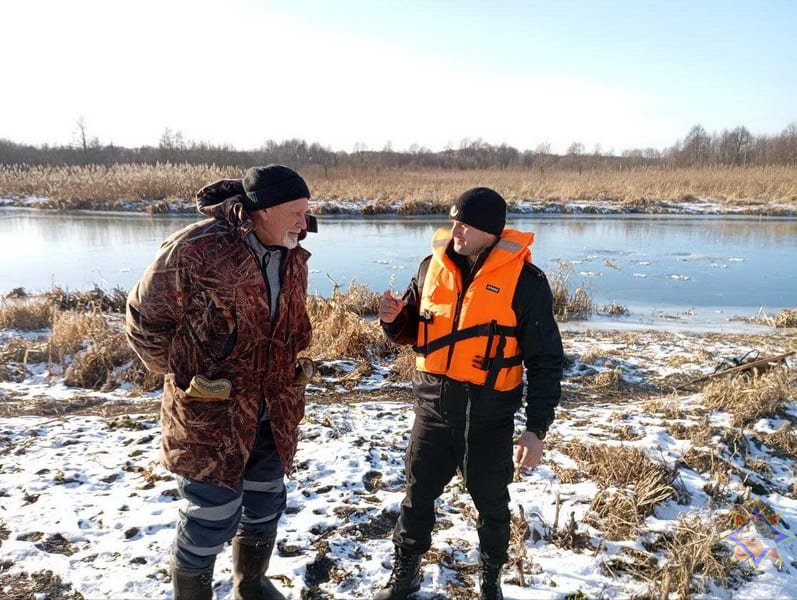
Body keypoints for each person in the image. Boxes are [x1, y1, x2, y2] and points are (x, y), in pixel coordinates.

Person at [125, 164, 318, 600]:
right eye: (296, 213)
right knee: (211, 517)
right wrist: (185, 375)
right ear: (263, 210)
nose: (304, 224)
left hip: (273, 409)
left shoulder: (291, 250)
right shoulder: (197, 247)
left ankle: (250, 584)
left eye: (307, 212)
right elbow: (144, 321)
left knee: (266, 500)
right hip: (211, 417)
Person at [375, 187, 564, 600]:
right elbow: (413, 331)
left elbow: (546, 361)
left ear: (491, 232)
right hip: (432, 411)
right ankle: (404, 574)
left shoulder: (527, 283)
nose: (454, 229)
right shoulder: (430, 268)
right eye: (454, 220)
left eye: (465, 223)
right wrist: (394, 320)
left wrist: (536, 430)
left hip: (489, 418)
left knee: (493, 505)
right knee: (416, 497)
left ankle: (491, 579)